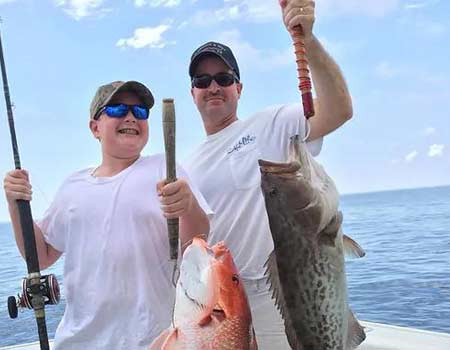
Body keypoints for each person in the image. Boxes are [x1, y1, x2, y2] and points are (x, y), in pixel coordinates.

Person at [183, 0, 353, 348]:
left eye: (224, 78)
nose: (213, 86)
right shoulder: (189, 165)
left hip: (284, 296)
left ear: (238, 88)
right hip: (226, 302)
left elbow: (338, 110)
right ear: (193, 93)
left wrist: (308, 41)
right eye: (203, 80)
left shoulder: (273, 123)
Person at [3, 80, 211, 349]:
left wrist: (189, 206)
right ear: (95, 127)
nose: (130, 117)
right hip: (78, 342)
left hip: (154, 341)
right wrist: (15, 204)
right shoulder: (72, 185)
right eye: (116, 109)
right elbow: (41, 255)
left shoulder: (165, 167)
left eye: (140, 112)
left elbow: (198, 241)